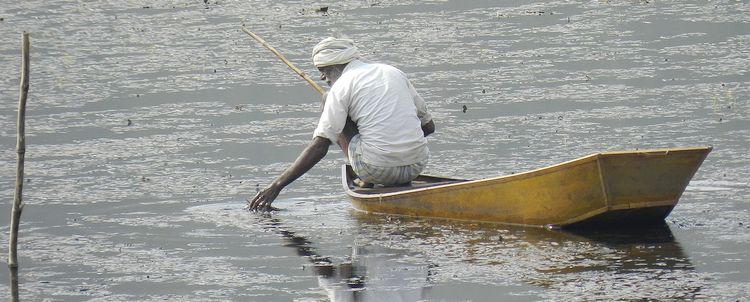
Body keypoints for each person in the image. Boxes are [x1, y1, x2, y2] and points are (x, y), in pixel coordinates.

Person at [247, 37, 435, 211]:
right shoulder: (393, 72)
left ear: (334, 67)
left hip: (375, 170)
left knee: (326, 98)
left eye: (322, 72)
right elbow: (428, 127)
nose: (322, 78)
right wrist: (399, 144)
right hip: (416, 166)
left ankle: (363, 177)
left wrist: (276, 186)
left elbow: (320, 147)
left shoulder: (341, 86)